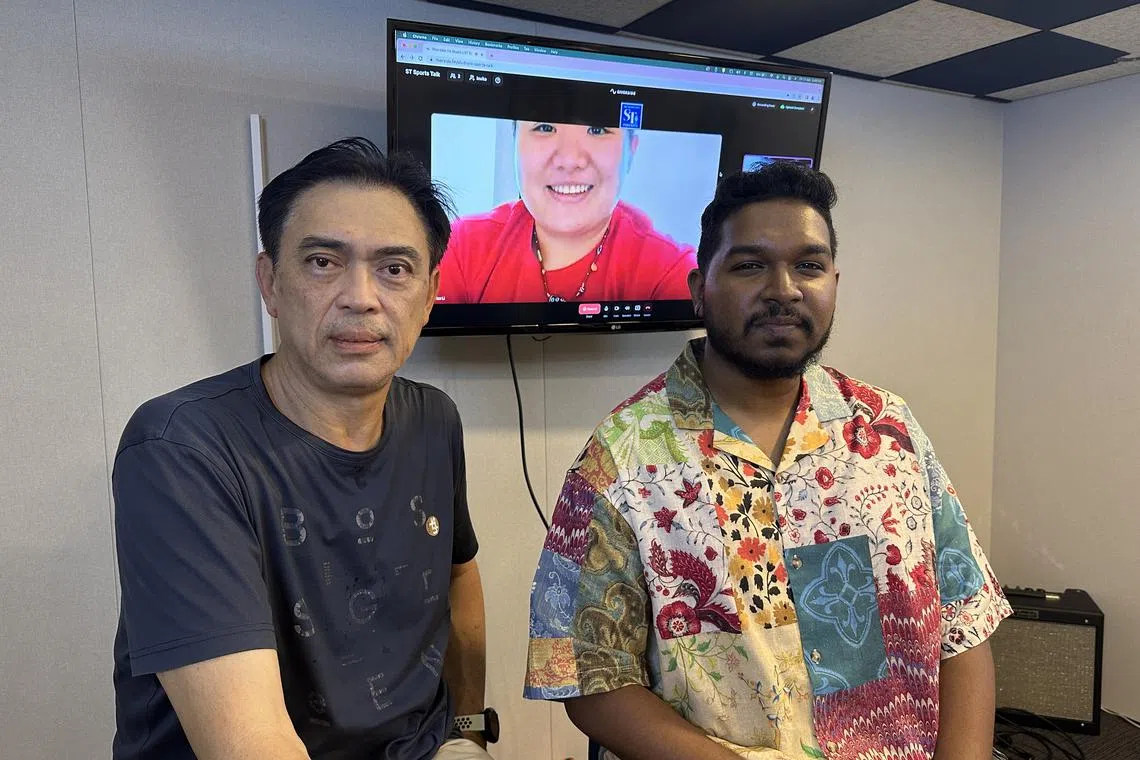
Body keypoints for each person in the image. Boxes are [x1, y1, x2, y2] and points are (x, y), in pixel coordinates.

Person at [524, 162, 1011, 759]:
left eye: (808, 264)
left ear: (834, 280)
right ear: (699, 287)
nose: (784, 289)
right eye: (751, 265)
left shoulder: (890, 431)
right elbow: (589, 677)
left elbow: (963, 624)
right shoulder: (621, 460)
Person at [111, 138, 494, 760]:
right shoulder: (182, 450)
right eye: (323, 262)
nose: (361, 297)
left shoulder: (433, 421)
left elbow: (459, 575)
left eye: (394, 269)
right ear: (271, 283)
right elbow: (253, 747)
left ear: (428, 296)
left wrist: (468, 729)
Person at [436, 120, 697, 304]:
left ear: (631, 149)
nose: (570, 160)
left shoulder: (670, 271)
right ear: (514, 142)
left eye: (597, 129)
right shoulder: (461, 247)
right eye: (545, 127)